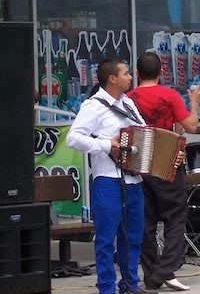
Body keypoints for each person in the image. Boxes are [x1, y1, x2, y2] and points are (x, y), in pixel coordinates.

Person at [66, 59, 156, 294]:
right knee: (106, 240)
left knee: (133, 237)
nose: (130, 77)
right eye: (126, 73)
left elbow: (144, 133)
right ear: (112, 79)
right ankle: (106, 288)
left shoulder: (128, 104)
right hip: (107, 180)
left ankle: (129, 284)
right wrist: (106, 144)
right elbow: (73, 138)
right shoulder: (93, 106)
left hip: (133, 181)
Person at [127, 52, 200, 291]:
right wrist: (194, 103)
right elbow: (190, 126)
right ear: (161, 72)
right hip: (166, 161)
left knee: (146, 222)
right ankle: (164, 270)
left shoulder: (129, 98)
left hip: (139, 164)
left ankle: (151, 276)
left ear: (137, 73)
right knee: (176, 216)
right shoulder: (169, 95)